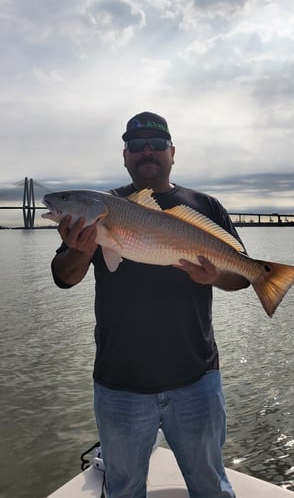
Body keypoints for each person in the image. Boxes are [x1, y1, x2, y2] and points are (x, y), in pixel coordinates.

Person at [51, 111, 250, 498]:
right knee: (123, 491)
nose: (147, 152)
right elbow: (64, 277)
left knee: (211, 487)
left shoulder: (206, 207)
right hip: (120, 384)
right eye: (136, 145)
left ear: (172, 152)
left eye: (156, 145)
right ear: (124, 156)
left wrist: (216, 275)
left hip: (197, 380)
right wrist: (81, 250)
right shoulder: (99, 211)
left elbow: (242, 276)